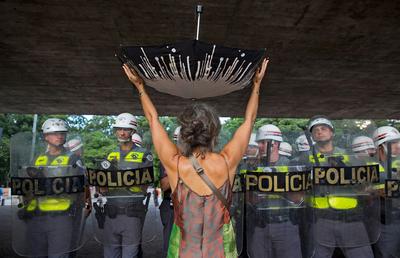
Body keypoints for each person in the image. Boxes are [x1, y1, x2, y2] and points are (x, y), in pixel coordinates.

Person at [122, 58, 269, 257]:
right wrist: (257, 84)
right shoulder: (227, 163)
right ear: (214, 133)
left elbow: (152, 118)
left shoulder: (176, 164)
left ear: (185, 135)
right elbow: (250, 120)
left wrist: (140, 86)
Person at [306, 116, 374, 258]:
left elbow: (364, 185)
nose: (319, 132)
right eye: (315, 130)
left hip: (351, 219)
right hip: (320, 220)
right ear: (311, 136)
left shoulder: (350, 157)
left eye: (324, 129)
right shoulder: (304, 159)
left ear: (332, 133)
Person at [22, 118, 86, 257]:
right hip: (37, 217)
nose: (60, 136)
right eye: (55, 133)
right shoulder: (37, 159)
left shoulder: (73, 159)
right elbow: (28, 187)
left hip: (61, 217)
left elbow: (79, 188)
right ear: (46, 136)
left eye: (62, 133)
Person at [99, 112, 153, 258]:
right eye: (119, 129)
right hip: (111, 213)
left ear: (133, 131)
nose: (122, 133)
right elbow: (103, 189)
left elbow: (144, 187)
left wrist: (121, 179)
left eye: (126, 129)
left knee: (130, 255)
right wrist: (101, 184)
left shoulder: (144, 155)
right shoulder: (110, 155)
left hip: (132, 213)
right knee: (110, 254)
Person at [246, 124, 302, 258]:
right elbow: (248, 199)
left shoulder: (290, 165)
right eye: (259, 142)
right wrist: (253, 198)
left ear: (275, 144)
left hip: (285, 224)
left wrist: (276, 187)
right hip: (260, 225)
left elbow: (298, 199)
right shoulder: (253, 167)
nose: (259, 146)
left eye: (263, 142)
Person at [372, 126, 400, 258]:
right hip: (385, 221)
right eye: (393, 143)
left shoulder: (397, 164)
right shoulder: (370, 167)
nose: (398, 146)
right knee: (387, 254)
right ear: (380, 146)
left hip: (396, 217)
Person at [159, 126, 180, 257]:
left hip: (190, 207)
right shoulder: (166, 159)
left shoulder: (196, 158)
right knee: (170, 245)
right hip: (171, 206)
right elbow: (164, 185)